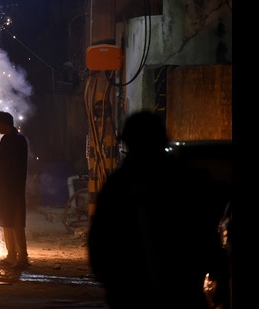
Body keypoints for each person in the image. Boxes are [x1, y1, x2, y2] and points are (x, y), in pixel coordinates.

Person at [87, 110, 216, 309]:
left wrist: (115, 285)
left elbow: (99, 244)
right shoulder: (185, 182)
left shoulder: (117, 187)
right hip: (179, 295)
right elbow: (206, 237)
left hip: (132, 295)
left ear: (128, 144)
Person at [0, 111, 30, 269]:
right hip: (3, 188)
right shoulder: (6, 139)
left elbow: (17, 168)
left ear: (4, 123)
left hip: (13, 190)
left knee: (16, 222)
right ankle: (11, 255)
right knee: (6, 221)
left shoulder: (18, 140)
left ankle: (22, 257)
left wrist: (8, 186)